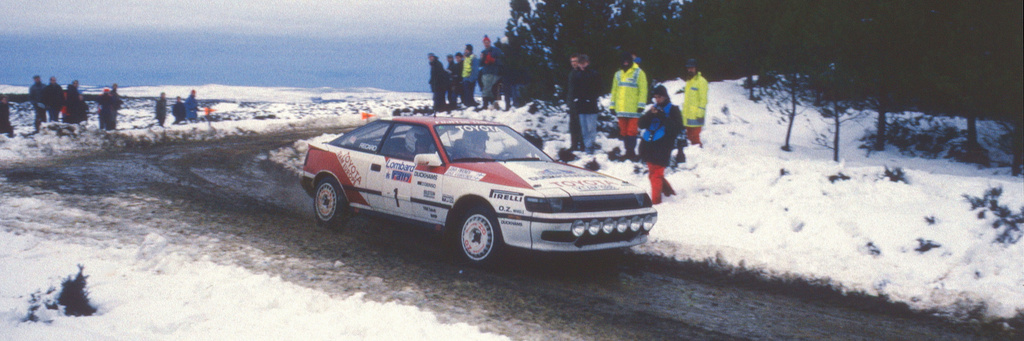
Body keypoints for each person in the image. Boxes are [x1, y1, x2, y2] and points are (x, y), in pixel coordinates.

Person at [639, 85, 683, 205]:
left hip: (663, 146)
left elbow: (677, 128)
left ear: (665, 96)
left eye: (659, 97)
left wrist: (662, 116)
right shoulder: (653, 108)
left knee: (656, 175)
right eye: (655, 97)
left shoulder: (673, 109)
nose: (657, 100)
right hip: (649, 145)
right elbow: (641, 124)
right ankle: (669, 192)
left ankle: (656, 202)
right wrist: (650, 114)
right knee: (653, 174)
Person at [609, 51, 648, 161]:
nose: (625, 62)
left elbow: (643, 90)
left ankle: (631, 152)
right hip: (621, 109)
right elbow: (614, 91)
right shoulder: (618, 74)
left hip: (634, 109)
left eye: (627, 60)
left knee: (631, 131)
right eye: (623, 61)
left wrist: (641, 105)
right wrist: (612, 106)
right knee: (623, 131)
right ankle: (627, 151)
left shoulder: (639, 73)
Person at [573, 54, 601, 153]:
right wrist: (576, 99)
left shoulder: (594, 74)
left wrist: (592, 98)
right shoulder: (576, 75)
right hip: (581, 105)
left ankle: (591, 144)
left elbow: (599, 88)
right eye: (580, 63)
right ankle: (587, 146)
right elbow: (574, 90)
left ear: (588, 63)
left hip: (591, 105)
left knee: (591, 128)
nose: (582, 65)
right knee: (584, 128)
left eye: (584, 63)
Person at [680, 58, 708, 150]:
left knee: (695, 138)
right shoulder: (689, 81)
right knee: (689, 137)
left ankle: (699, 153)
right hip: (688, 115)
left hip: (696, 116)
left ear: (696, 68)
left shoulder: (701, 81)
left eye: (692, 68)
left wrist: (700, 113)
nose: (690, 70)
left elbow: (703, 99)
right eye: (688, 68)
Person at [478, 35, 503, 110]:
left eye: (487, 42)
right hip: (485, 72)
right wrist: (482, 59)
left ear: (490, 42)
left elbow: (501, 61)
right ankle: (492, 104)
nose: (486, 44)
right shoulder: (483, 52)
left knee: (487, 88)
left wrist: (493, 60)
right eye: (484, 42)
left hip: (492, 72)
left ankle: (486, 105)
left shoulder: (495, 50)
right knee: (488, 88)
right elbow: (481, 64)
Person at [565, 54, 583, 151]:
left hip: (581, 103)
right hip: (572, 104)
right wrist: (569, 103)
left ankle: (583, 145)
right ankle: (574, 145)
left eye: (575, 61)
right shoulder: (571, 73)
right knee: (573, 125)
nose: (573, 63)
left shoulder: (583, 73)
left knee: (581, 125)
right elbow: (570, 90)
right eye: (572, 61)